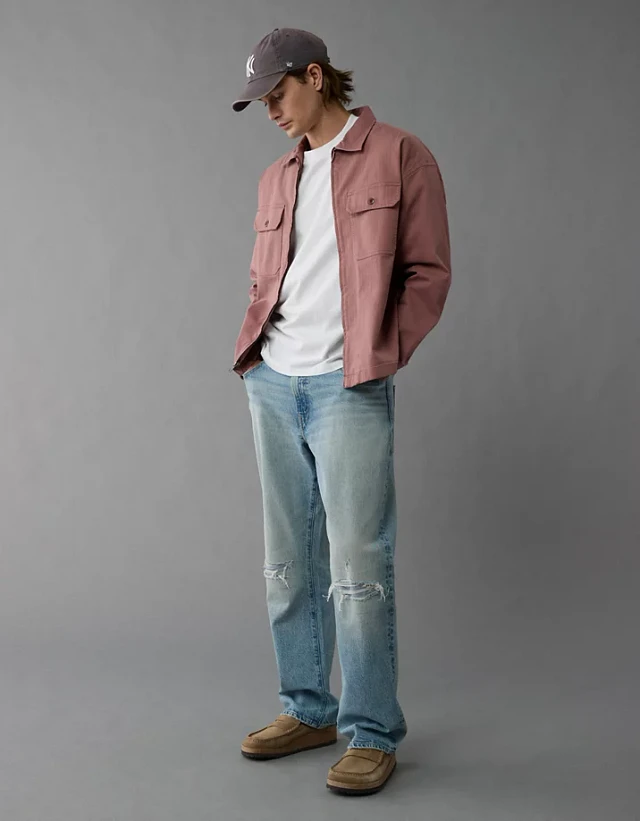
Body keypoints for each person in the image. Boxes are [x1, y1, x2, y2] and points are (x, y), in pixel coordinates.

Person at [229, 27, 451, 796]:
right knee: (287, 563)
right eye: (261, 101)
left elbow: (428, 272)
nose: (270, 112)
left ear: (315, 77)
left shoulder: (400, 154)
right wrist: (256, 355)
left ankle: (370, 730)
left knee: (359, 568)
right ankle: (307, 707)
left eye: (277, 94)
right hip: (273, 381)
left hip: (346, 386)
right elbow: (268, 280)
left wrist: (379, 353)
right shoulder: (275, 177)